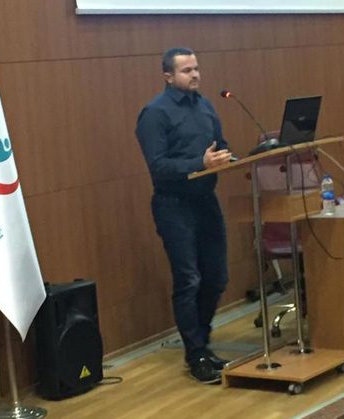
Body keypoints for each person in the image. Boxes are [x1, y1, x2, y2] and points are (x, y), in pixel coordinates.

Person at [135, 47, 233, 384]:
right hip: (173, 205)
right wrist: (199, 164)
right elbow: (158, 166)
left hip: (206, 201)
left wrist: (227, 157)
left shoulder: (205, 106)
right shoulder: (154, 114)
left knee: (217, 277)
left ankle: (202, 342)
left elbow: (220, 144)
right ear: (168, 76)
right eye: (187, 70)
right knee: (189, 279)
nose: (195, 75)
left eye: (196, 68)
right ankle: (196, 354)